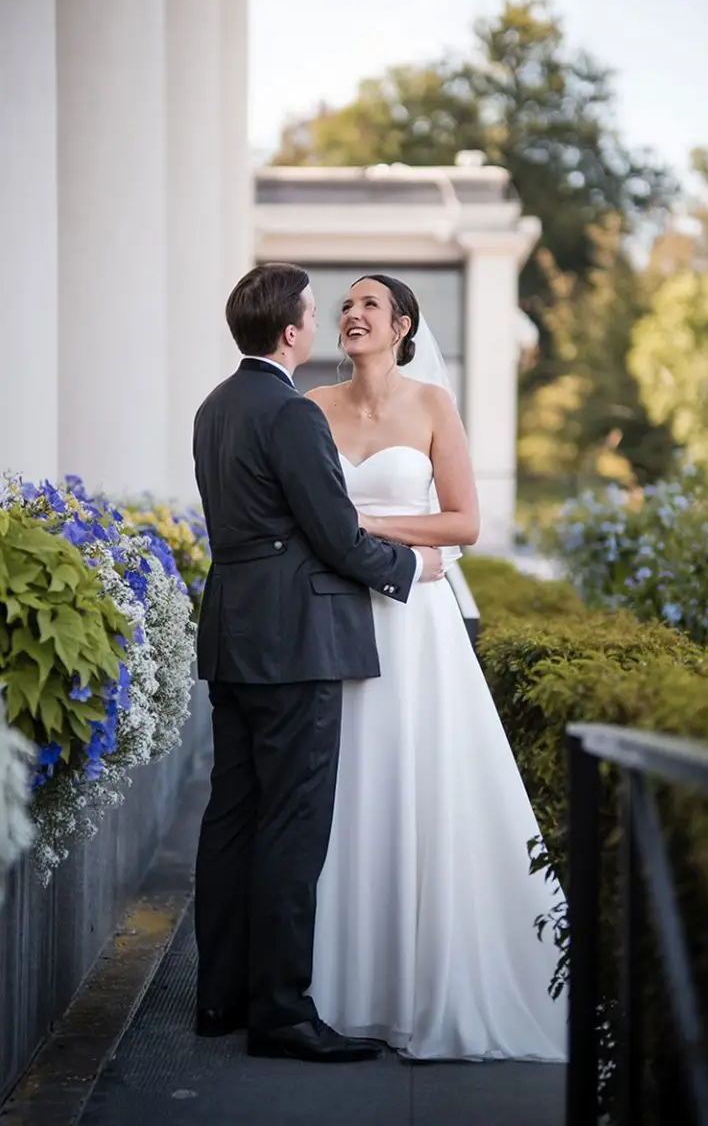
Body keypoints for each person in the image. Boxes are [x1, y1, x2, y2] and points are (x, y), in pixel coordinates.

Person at [306, 275, 567, 1062]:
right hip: (334, 617)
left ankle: (423, 984)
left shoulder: (430, 407)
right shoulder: (310, 409)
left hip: (417, 625)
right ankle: (336, 989)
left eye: (369, 306)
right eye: (345, 306)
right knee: (343, 787)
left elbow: (466, 522)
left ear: (402, 325)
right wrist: (365, 539)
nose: (352, 315)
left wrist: (362, 524)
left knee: (416, 781)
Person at [192, 263, 444, 1064]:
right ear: (293, 330)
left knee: (230, 818)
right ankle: (282, 1015)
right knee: (293, 826)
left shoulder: (214, 407)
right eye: (317, 310)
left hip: (231, 634)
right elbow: (332, 534)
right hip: (295, 641)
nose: (326, 319)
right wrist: (410, 571)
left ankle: (218, 997)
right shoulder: (293, 414)